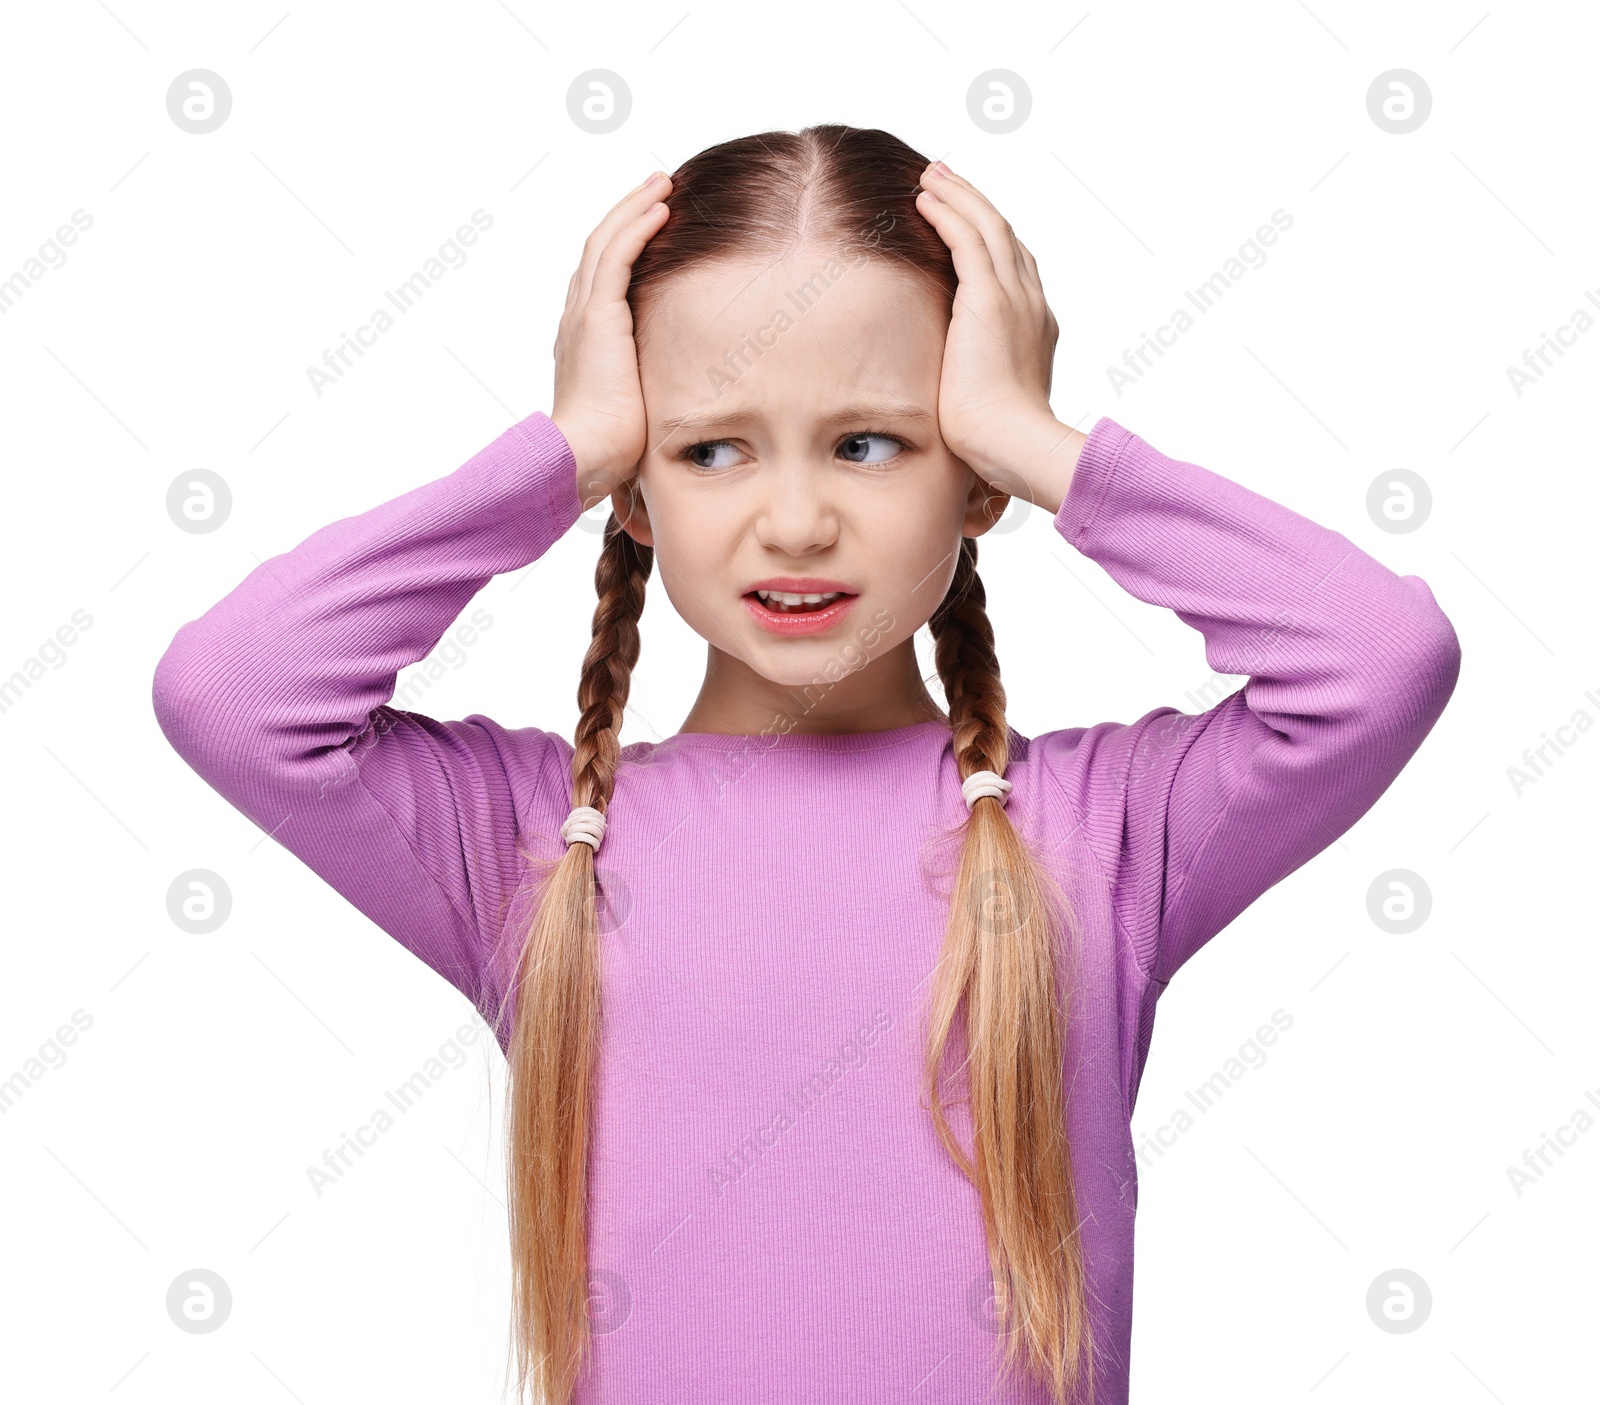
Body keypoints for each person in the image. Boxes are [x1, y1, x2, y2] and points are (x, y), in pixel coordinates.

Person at [151, 124, 1461, 1405]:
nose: (794, 520)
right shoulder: (541, 847)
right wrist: (558, 455)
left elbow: (1379, 657)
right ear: (635, 485)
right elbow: (233, 692)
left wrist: (1040, 438)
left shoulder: (1099, 830)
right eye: (710, 447)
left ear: (974, 475)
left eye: (871, 441)